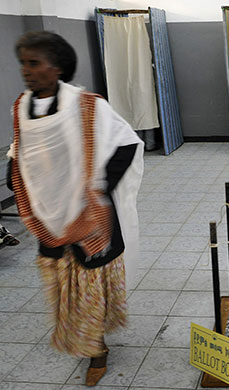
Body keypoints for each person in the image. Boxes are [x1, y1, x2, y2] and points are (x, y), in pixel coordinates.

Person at [6, 31, 143, 387]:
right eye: (23, 63)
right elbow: (20, 151)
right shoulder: (22, 107)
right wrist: (18, 179)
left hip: (89, 218)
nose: (26, 71)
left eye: (34, 63)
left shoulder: (88, 106)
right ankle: (85, 338)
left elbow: (127, 144)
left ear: (58, 68)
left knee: (89, 283)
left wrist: (96, 191)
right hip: (46, 213)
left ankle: (98, 349)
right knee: (63, 282)